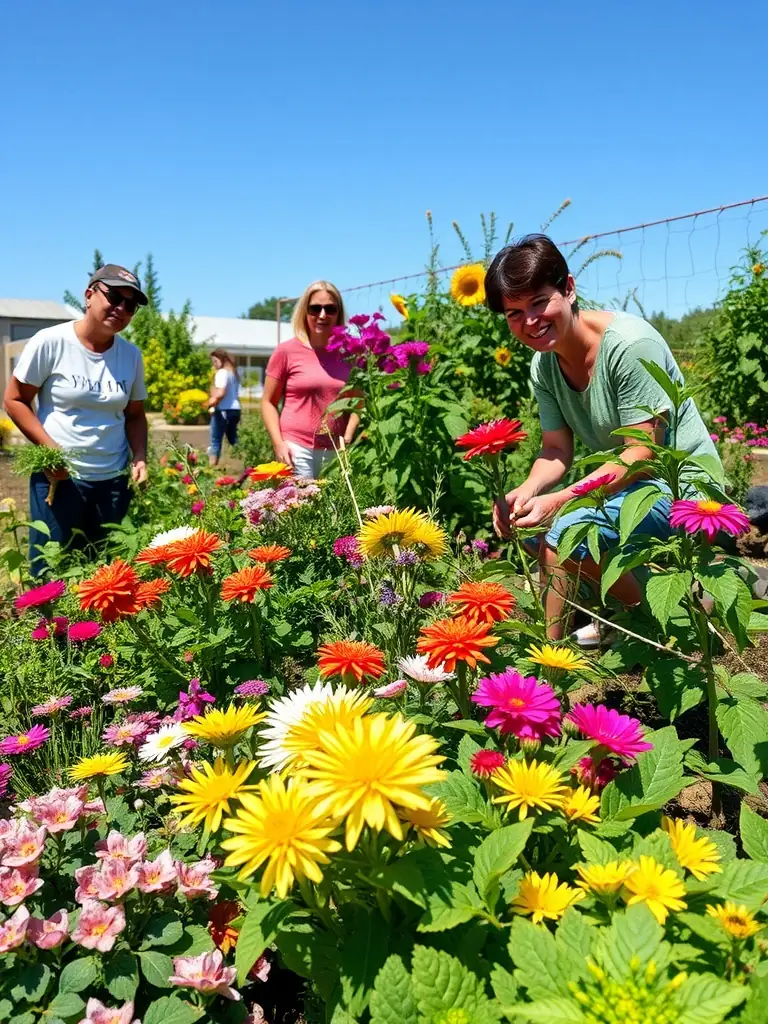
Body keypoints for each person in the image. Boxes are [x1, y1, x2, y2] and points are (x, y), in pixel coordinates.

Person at [486, 234, 719, 645]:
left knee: (566, 531)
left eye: (540, 302)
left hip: (685, 487)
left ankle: (552, 656)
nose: (530, 321)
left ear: (569, 289)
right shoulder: (545, 365)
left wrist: (561, 500)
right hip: (628, 487)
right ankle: (653, 611)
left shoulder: (629, 346)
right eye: (514, 313)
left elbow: (643, 452)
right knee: (531, 526)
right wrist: (524, 492)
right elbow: (556, 450)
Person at [4, 264, 149, 574]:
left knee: (103, 573)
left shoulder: (131, 355)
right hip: (59, 480)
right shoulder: (51, 342)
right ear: (89, 295)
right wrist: (50, 450)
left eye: (131, 304)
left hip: (112, 484)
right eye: (113, 297)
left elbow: (135, 415)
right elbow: (15, 400)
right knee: (50, 570)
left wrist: (140, 457)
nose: (121, 308)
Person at [261, 280, 360, 479]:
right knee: (298, 507)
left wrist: (348, 438)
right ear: (304, 312)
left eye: (330, 309)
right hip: (295, 449)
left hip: (335, 450)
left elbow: (357, 403)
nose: (322, 315)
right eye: (315, 308)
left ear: (338, 313)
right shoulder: (286, 351)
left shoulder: (350, 356)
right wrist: (279, 443)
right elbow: (268, 402)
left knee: (334, 509)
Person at [205, 348, 241, 466]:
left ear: (221, 360)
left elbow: (220, 393)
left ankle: (210, 469)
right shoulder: (233, 373)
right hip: (235, 409)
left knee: (215, 440)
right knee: (233, 439)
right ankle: (248, 461)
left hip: (224, 409)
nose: (213, 364)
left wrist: (210, 403)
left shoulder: (222, 373)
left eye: (215, 361)